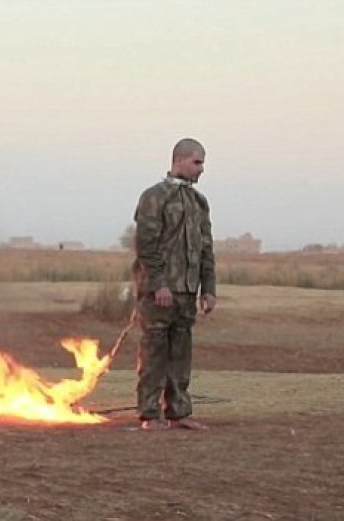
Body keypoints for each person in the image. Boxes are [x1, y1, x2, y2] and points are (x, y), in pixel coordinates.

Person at [132, 138, 217, 431]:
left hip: (186, 292)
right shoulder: (154, 197)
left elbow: (206, 248)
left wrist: (208, 289)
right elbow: (146, 245)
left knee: (180, 353)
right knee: (154, 352)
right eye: (197, 162)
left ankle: (178, 412)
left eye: (203, 162)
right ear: (179, 160)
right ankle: (149, 413)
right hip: (159, 294)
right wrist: (158, 284)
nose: (202, 169)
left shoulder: (198, 202)